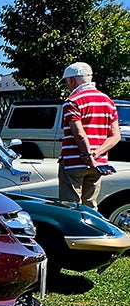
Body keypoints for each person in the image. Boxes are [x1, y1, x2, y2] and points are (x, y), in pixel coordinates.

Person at [58, 61, 121, 208]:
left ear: (72, 80)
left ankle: (74, 232)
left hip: (73, 161)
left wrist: (88, 156)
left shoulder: (72, 102)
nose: (67, 85)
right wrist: (96, 154)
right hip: (99, 162)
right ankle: (91, 231)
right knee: (90, 205)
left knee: (70, 206)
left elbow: (79, 134)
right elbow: (115, 136)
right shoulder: (108, 102)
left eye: (67, 82)